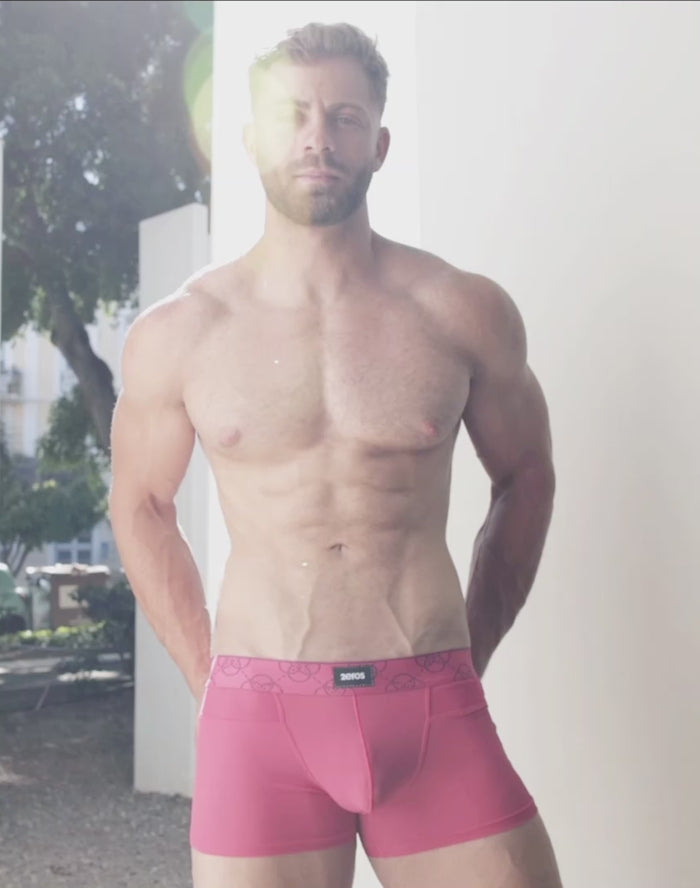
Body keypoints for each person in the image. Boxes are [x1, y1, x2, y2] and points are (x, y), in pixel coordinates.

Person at [109, 21, 563, 888]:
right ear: (251, 139)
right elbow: (140, 505)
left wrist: (470, 650)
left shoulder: (460, 310)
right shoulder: (181, 333)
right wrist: (210, 677)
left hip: (432, 702)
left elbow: (526, 475)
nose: (319, 137)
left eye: (346, 117)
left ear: (380, 144)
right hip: (260, 719)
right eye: (294, 114)